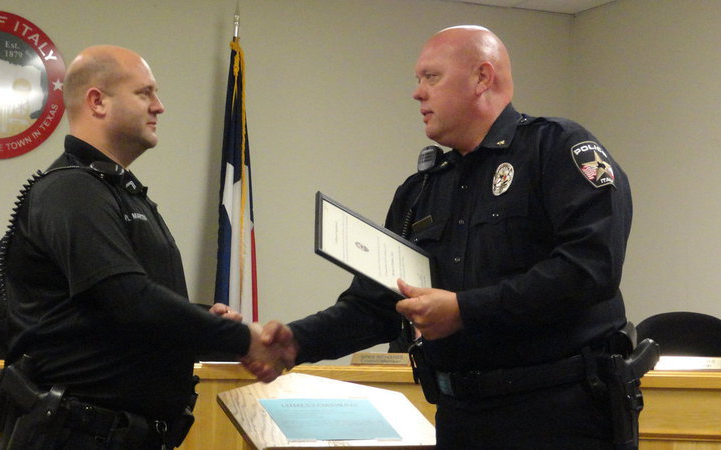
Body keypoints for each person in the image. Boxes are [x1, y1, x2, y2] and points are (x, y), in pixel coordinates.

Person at [251, 26, 636, 449]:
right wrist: (294, 342)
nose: (417, 93)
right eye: (418, 79)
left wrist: (465, 310)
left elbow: (590, 268)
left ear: (482, 77)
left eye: (431, 77)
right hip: (460, 416)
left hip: (559, 414)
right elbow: (376, 305)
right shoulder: (422, 189)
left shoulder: (557, 148)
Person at [0, 45, 285, 449]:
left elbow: (116, 311)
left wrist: (203, 319)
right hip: (77, 436)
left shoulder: (120, 193)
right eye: (144, 93)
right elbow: (128, 299)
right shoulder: (71, 191)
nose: (159, 106)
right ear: (97, 101)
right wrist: (243, 338)